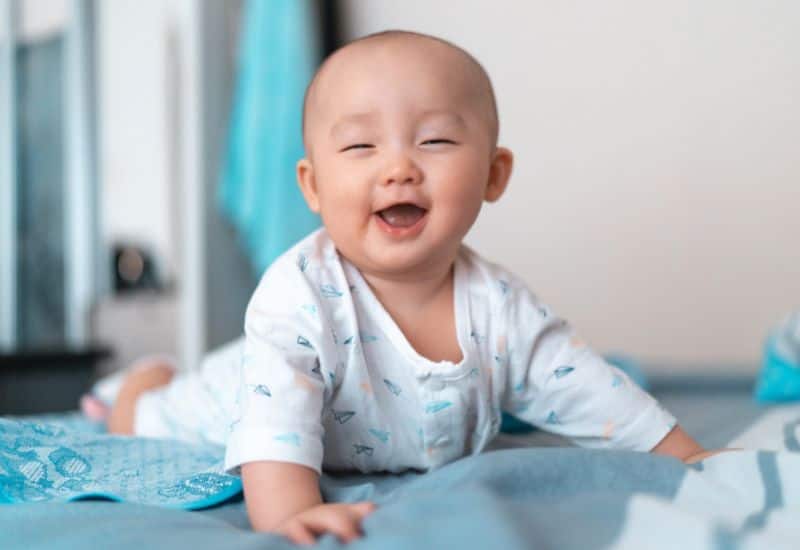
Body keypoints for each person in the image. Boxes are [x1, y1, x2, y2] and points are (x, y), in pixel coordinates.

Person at [93, 30, 731, 545]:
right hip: (240, 394)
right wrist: (289, 518)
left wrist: (688, 454)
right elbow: (272, 427)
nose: (399, 167)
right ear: (312, 186)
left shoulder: (501, 307)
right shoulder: (297, 296)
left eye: (435, 140)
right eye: (362, 145)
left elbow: (588, 390)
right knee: (149, 416)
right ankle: (141, 382)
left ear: (493, 172)